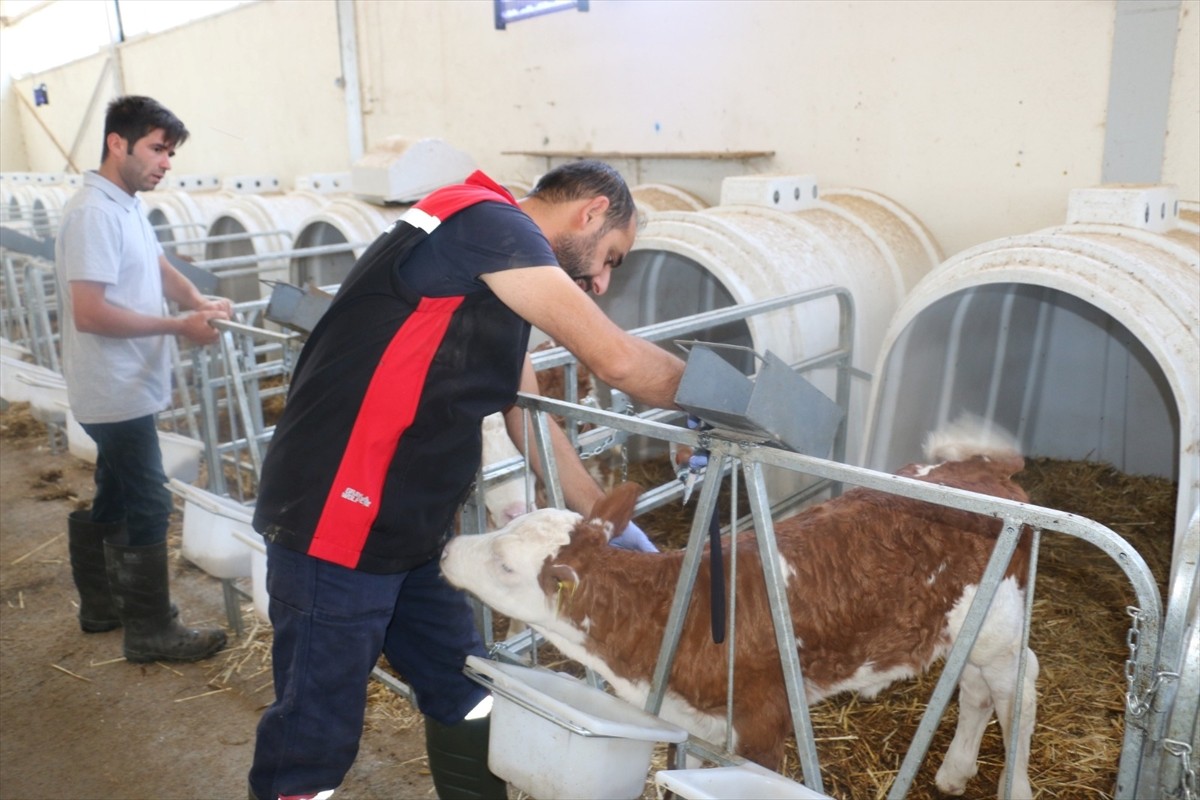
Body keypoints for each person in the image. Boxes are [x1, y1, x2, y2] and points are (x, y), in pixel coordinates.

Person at [248, 160, 686, 800]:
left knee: (466, 688)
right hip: (338, 520)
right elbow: (616, 357)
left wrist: (602, 520)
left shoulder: (497, 272)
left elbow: (523, 411)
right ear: (591, 212)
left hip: (409, 529)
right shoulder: (488, 223)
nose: (599, 280)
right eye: (611, 257)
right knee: (313, 735)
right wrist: (714, 397)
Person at [55, 95, 231, 663]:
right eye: (157, 148)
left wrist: (198, 300)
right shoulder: (94, 213)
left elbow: (155, 266)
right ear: (117, 143)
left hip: (128, 382)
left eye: (171, 152)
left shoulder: (124, 204)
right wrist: (180, 325)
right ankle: (151, 629)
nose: (166, 162)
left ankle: (102, 607)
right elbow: (90, 312)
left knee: (116, 492)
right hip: (114, 388)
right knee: (150, 504)